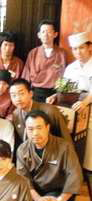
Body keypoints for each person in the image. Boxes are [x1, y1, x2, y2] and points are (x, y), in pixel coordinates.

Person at [16, 110, 82, 201]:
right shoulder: (22, 149)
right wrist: (37, 199)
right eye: (30, 129)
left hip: (56, 190)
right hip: (34, 190)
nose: (35, 133)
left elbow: (74, 176)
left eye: (39, 127)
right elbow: (23, 178)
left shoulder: (64, 147)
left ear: (47, 127)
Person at [47, 32, 92, 171]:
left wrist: (85, 102)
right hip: (72, 106)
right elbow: (64, 89)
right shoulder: (70, 68)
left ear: (89, 47)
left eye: (81, 48)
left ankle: (87, 170)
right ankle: (69, 168)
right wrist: (55, 96)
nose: (78, 52)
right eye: (75, 49)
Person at [9, 78, 72, 147]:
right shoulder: (16, 114)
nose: (18, 99)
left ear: (30, 94)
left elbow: (66, 139)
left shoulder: (50, 111)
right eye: (13, 95)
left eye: (21, 94)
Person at [22, 20, 66, 102]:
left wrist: (57, 95)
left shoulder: (61, 53)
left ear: (55, 34)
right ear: (39, 35)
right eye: (43, 32)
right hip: (36, 93)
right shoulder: (33, 53)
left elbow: (64, 77)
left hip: (54, 94)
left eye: (49, 32)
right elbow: (26, 75)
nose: (46, 35)